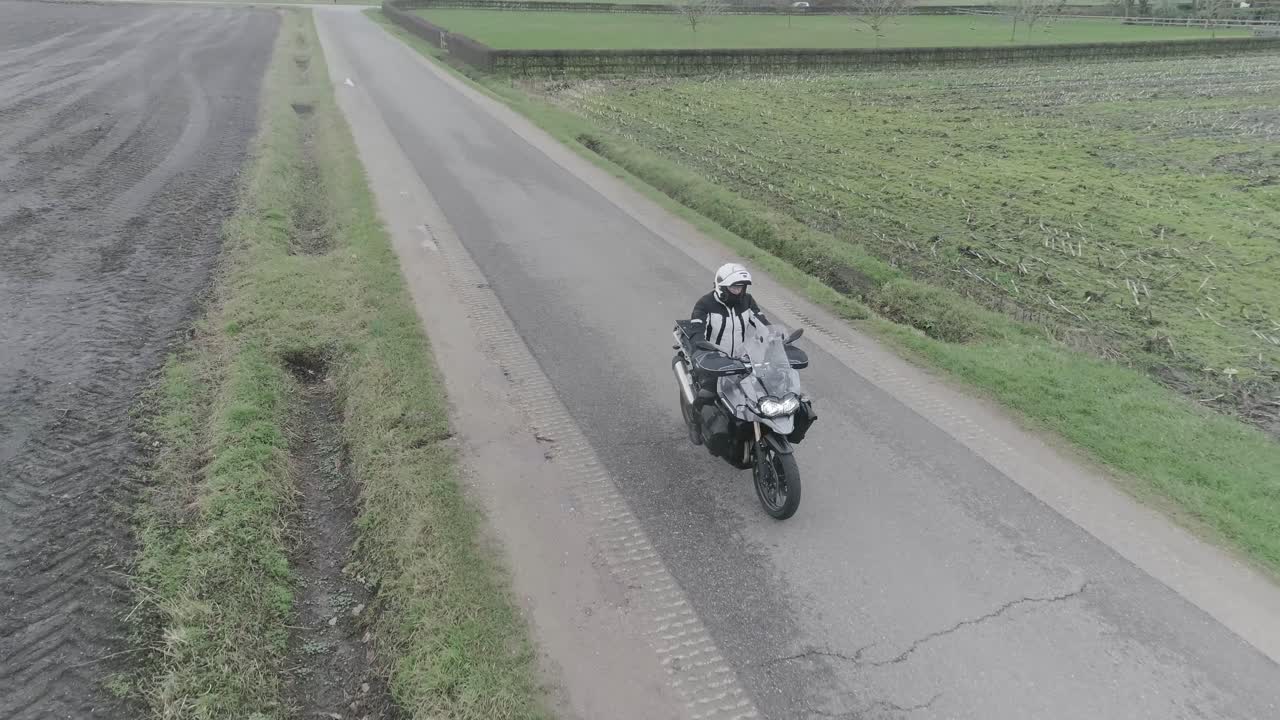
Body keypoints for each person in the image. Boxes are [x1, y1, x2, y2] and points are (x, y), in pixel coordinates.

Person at [688, 263, 771, 408]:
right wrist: (703, 348)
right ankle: (695, 425)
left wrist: (775, 336)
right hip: (714, 360)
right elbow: (696, 332)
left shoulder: (747, 301)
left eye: (740, 287)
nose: (738, 291)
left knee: (765, 390)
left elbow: (762, 322)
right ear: (722, 287)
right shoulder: (705, 303)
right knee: (707, 395)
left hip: (741, 359)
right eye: (734, 287)